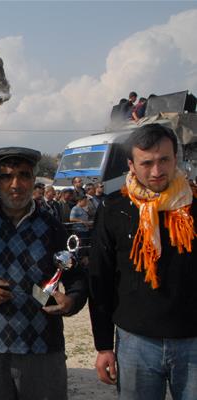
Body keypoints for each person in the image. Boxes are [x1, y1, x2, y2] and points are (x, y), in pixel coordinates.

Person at [0, 147, 87, 400]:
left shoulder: (52, 226)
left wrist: (72, 300)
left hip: (43, 350)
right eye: (6, 176)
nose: (16, 184)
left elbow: (76, 276)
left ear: (34, 180)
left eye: (24, 175)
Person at [88, 124, 197, 400]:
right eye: (146, 163)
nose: (157, 171)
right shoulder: (114, 209)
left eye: (164, 160)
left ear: (176, 158)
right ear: (131, 165)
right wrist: (103, 346)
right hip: (135, 344)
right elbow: (100, 279)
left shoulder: (194, 205)